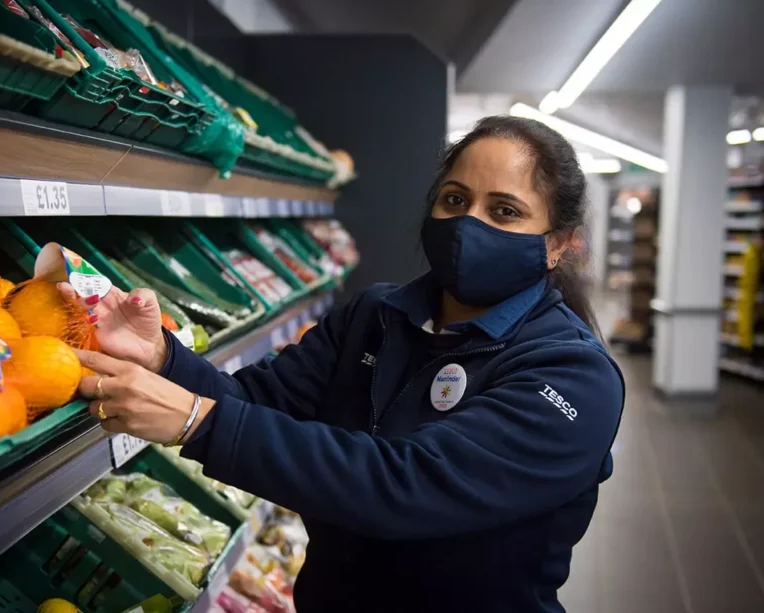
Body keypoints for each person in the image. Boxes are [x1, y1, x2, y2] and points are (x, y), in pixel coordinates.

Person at [71, 116, 625, 613]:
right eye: (455, 200)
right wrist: (165, 359)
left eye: (504, 211)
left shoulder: (572, 376)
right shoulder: (377, 315)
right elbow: (257, 403)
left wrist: (199, 421)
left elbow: (407, 487)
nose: (468, 225)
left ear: (559, 244)